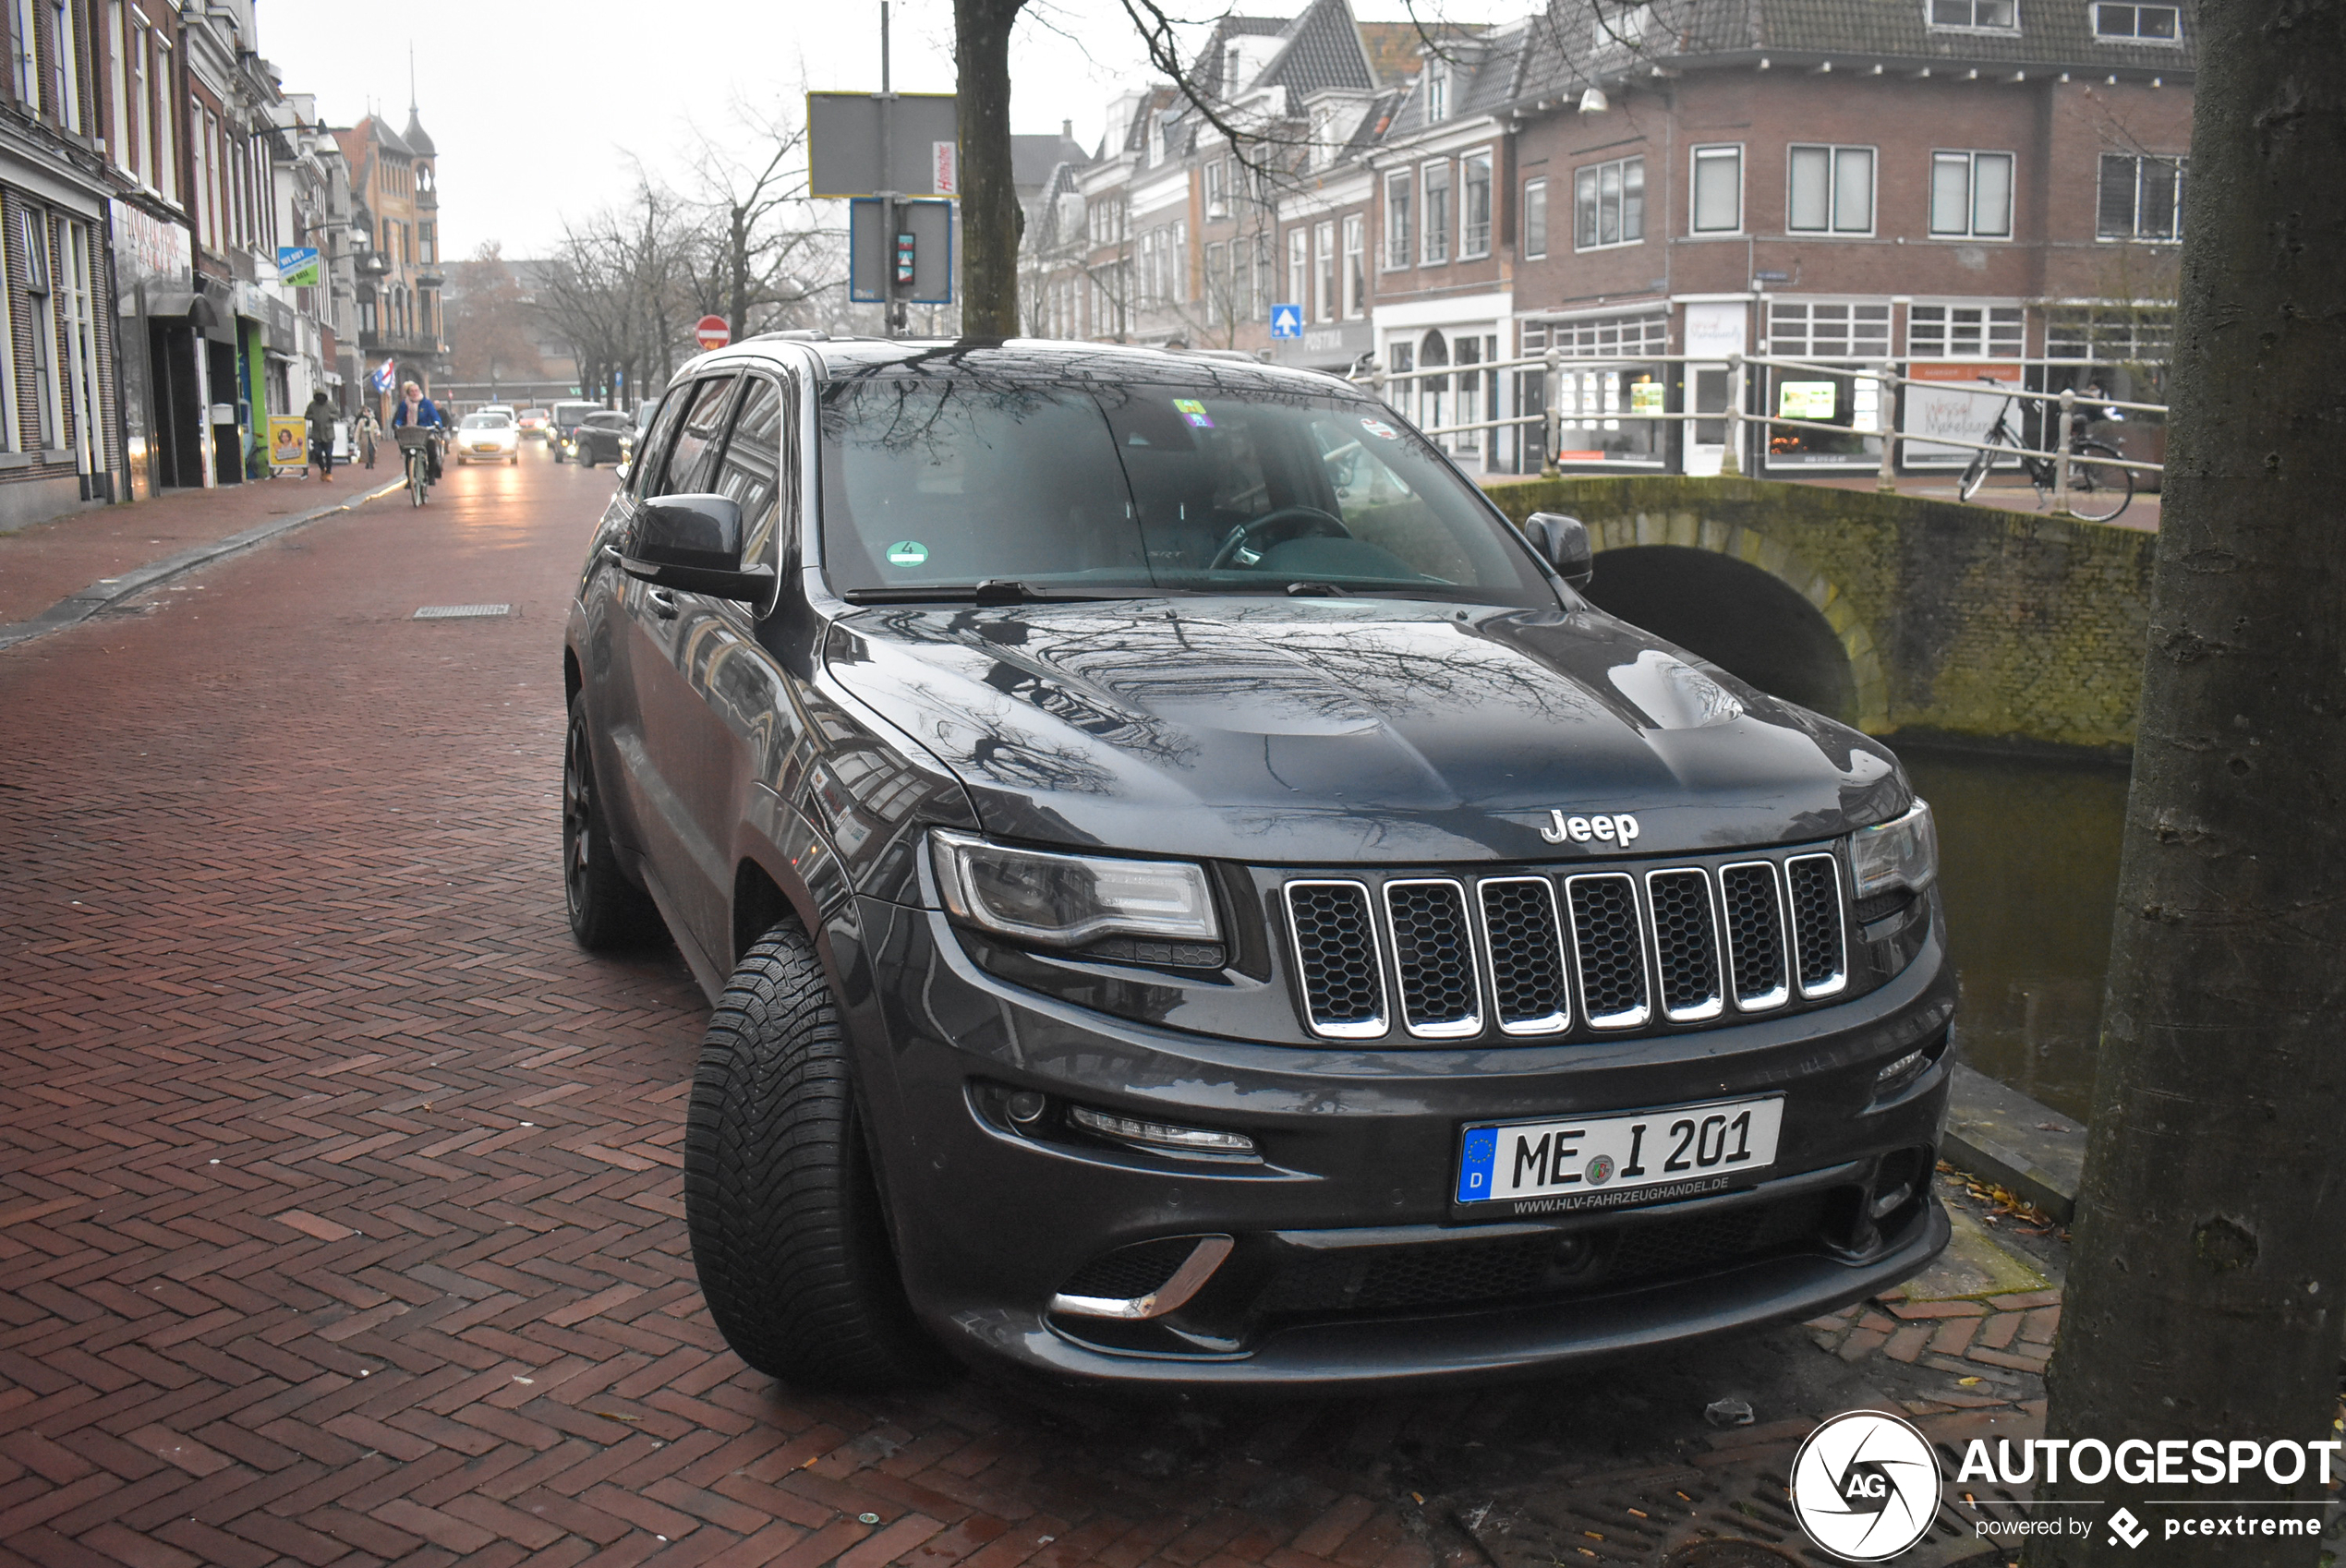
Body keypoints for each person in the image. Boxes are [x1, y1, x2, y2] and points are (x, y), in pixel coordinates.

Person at [390, 380, 445, 482]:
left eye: (416, 391)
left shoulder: (426, 403)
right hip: (410, 433)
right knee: (408, 454)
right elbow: (400, 417)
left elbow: (434, 416)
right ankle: (410, 478)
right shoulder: (404, 404)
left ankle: (431, 475)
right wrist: (397, 424)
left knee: (431, 452)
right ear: (408, 393)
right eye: (412, 391)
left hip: (425, 431)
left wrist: (437, 423)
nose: (414, 393)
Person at [304, 389, 337, 480]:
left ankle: (329, 473)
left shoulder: (330, 405)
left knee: (328, 454)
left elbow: (337, 414)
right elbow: (306, 416)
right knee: (318, 454)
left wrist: (331, 417)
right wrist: (313, 417)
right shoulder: (312, 405)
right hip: (317, 434)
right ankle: (323, 469)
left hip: (328, 434)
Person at [355, 404, 380, 469]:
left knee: (371, 451)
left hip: (372, 439)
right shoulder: (361, 421)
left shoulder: (373, 421)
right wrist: (356, 439)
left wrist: (377, 433)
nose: (366, 413)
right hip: (364, 439)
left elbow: (377, 428)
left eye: (368, 412)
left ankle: (371, 462)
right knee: (366, 452)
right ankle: (367, 463)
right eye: (365, 412)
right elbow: (358, 430)